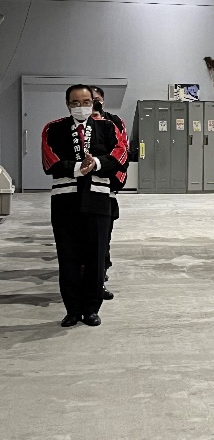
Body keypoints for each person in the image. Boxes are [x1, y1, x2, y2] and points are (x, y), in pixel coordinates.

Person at [42, 84, 128, 327]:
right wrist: (79, 168)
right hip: (65, 200)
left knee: (96, 255)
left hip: (98, 199)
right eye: (75, 102)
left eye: (86, 101)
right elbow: (50, 161)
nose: (81, 107)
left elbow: (120, 156)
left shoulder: (107, 127)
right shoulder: (54, 128)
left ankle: (91, 308)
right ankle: (72, 309)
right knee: (67, 255)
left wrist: (98, 164)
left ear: (94, 102)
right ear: (68, 104)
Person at [91, 86, 128, 301]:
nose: (93, 103)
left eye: (96, 99)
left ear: (102, 100)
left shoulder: (113, 123)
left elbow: (120, 151)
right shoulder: (78, 127)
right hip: (82, 189)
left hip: (108, 187)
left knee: (103, 237)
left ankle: (100, 275)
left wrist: (115, 179)